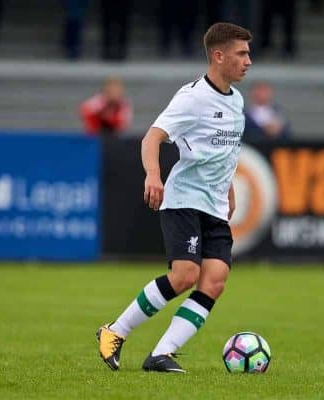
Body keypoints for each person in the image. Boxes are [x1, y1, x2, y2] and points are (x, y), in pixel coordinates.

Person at [97, 22, 252, 373]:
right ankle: (113, 332)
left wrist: (227, 189)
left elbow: (226, 151)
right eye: (241, 53)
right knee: (184, 275)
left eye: (248, 53)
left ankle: (160, 354)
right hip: (184, 199)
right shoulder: (192, 97)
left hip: (214, 205)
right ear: (219, 55)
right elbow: (151, 138)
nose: (248, 61)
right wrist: (154, 174)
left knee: (214, 280)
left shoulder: (237, 101)